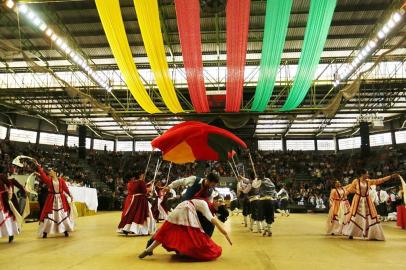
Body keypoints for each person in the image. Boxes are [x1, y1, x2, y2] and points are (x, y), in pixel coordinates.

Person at [138, 197, 232, 260]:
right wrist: (224, 233)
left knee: (166, 230)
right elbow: (212, 220)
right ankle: (183, 250)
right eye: (219, 201)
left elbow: (212, 219)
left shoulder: (206, 204)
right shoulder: (206, 206)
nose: (220, 202)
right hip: (187, 210)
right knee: (189, 234)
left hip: (181, 206)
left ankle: (148, 250)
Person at [343, 169, 400, 240]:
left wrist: (391, 176)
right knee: (355, 215)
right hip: (358, 201)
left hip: (367, 201)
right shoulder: (356, 181)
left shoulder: (368, 181)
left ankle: (372, 234)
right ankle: (351, 233)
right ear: (362, 174)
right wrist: (345, 194)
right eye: (367, 174)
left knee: (370, 216)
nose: (368, 175)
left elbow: (380, 180)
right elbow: (350, 190)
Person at [164, 172, 220, 236]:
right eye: (213, 185)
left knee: (209, 225)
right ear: (208, 180)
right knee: (170, 228)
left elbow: (209, 204)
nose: (213, 187)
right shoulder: (194, 179)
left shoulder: (210, 191)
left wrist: (215, 209)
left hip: (196, 214)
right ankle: (153, 240)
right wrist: (169, 187)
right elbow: (180, 182)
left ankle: (203, 242)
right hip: (183, 209)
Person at [36, 162, 74, 238]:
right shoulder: (48, 180)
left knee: (62, 214)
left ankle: (65, 231)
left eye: (51, 171)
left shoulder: (61, 180)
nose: (50, 172)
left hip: (60, 200)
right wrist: (38, 166)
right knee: (50, 215)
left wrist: (70, 195)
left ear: (55, 173)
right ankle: (45, 232)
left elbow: (65, 188)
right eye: (50, 171)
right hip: (52, 200)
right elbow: (43, 176)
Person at [117, 170, 156, 235]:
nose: (144, 176)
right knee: (140, 215)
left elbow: (137, 189)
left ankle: (127, 228)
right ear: (140, 175)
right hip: (140, 201)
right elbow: (144, 191)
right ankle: (137, 229)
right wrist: (150, 189)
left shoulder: (130, 182)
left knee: (131, 215)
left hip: (132, 200)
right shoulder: (141, 182)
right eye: (143, 175)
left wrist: (148, 184)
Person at [0, 166, 27, 243]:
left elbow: (10, 184)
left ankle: (11, 233)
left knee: (7, 215)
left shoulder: (3, 177)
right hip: (4, 198)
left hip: (5, 199)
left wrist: (10, 193)